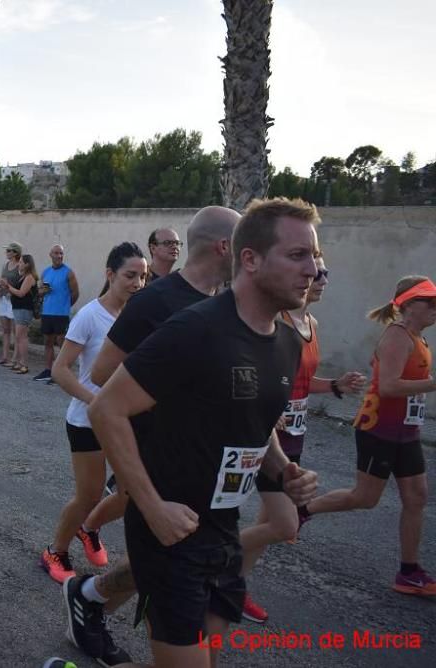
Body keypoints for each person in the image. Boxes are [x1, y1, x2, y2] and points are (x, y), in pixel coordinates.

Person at [68, 198, 320, 668]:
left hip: (224, 529)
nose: (314, 269)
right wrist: (152, 506)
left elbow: (254, 427)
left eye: (315, 256)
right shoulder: (194, 328)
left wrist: (284, 470)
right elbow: (106, 408)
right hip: (171, 528)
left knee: (203, 655)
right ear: (248, 258)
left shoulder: (285, 343)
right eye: (298, 255)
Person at [61, 206, 238, 664]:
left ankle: (92, 594)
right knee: (170, 559)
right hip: (156, 450)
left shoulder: (232, 301)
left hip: (211, 460)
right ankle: (87, 578)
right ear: (225, 246)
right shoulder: (156, 301)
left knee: (181, 560)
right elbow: (100, 374)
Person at [238, 253, 366, 623]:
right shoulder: (275, 321)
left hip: (295, 434)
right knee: (283, 524)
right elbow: (254, 374)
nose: (322, 278)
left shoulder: (311, 323)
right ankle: (210, 558)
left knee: (268, 523)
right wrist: (266, 407)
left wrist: (337, 387)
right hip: (267, 437)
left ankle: (234, 586)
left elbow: (302, 384)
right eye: (317, 271)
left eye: (325, 272)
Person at [302, 275, 436, 596]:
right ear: (408, 305)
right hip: (379, 430)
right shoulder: (397, 336)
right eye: (429, 302)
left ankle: (409, 571)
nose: (435, 308)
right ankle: (303, 511)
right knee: (364, 498)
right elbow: (389, 386)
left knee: (417, 497)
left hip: (406, 431)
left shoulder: (418, 338)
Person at [41, 243, 146, 584]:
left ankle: (89, 529)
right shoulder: (90, 315)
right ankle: (55, 550)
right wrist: (94, 400)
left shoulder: (139, 317)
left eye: (142, 277)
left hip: (128, 421)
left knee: (134, 493)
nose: (137, 283)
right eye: (130, 275)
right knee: (89, 494)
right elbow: (61, 369)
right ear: (110, 274)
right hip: (88, 420)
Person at [37, 244, 80, 382]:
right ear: (50, 255)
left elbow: (75, 293)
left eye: (61, 253)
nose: (59, 256)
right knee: (47, 342)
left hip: (61, 314)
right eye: (56, 253)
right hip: (47, 312)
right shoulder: (45, 272)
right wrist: (43, 292)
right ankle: (48, 370)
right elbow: (39, 291)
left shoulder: (68, 272)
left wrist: (65, 306)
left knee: (62, 344)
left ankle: (62, 373)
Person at [0, 253, 38, 374]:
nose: (19, 264)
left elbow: (21, 293)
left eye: (21, 262)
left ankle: (24, 363)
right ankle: (19, 362)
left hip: (24, 309)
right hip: (18, 309)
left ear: (27, 264)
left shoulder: (30, 277)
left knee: (21, 337)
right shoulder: (23, 277)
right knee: (18, 336)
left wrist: (8, 286)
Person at [0, 242, 22, 363]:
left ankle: (15, 358)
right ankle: (5, 356)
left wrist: (11, 289)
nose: (7, 253)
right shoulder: (6, 265)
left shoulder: (19, 266)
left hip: (14, 300)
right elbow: (1, 279)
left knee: (16, 331)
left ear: (15, 253)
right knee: (5, 330)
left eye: (9, 251)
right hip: (4, 299)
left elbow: (21, 282)